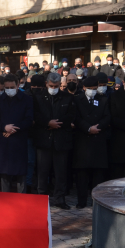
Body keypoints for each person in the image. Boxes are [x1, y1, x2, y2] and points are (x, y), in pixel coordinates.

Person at [33, 73, 75, 209]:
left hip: (61, 139)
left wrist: (58, 123)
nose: (53, 88)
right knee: (42, 171)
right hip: (44, 139)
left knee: (60, 172)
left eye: (56, 86)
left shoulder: (67, 97)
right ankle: (41, 198)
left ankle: (59, 198)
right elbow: (35, 115)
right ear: (46, 84)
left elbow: (71, 115)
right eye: (51, 86)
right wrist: (47, 123)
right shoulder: (38, 97)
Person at [72, 76, 111, 208]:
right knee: (81, 175)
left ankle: (97, 203)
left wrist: (97, 127)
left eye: (95, 89)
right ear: (84, 88)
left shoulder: (103, 100)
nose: (93, 91)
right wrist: (88, 128)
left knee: (98, 175)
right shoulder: (77, 100)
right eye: (90, 89)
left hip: (98, 141)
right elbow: (76, 117)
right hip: (82, 141)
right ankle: (81, 201)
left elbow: (107, 117)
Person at [0, 74, 33, 193]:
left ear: (17, 86)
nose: (9, 90)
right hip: (3, 140)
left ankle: (22, 199)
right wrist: (4, 127)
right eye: (7, 87)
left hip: (19, 139)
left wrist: (14, 129)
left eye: (12, 87)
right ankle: (5, 199)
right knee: (4, 174)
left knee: (21, 174)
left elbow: (29, 119)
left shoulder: (26, 99)